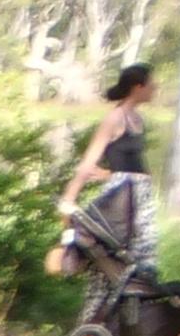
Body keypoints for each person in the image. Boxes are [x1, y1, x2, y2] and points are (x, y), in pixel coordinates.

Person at [62, 59, 156, 217]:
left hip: (140, 198)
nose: (155, 88)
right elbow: (89, 161)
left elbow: (131, 165)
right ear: (138, 87)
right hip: (121, 201)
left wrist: (108, 174)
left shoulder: (138, 119)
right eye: (151, 85)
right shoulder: (115, 118)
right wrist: (68, 200)